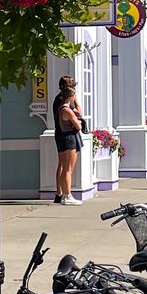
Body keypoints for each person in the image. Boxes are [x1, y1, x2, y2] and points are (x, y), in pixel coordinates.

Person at [53, 74, 83, 204]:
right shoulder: (65, 104)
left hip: (59, 133)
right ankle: (66, 194)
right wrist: (75, 100)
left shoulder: (57, 100)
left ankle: (60, 193)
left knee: (62, 166)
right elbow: (79, 113)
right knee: (67, 168)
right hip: (68, 134)